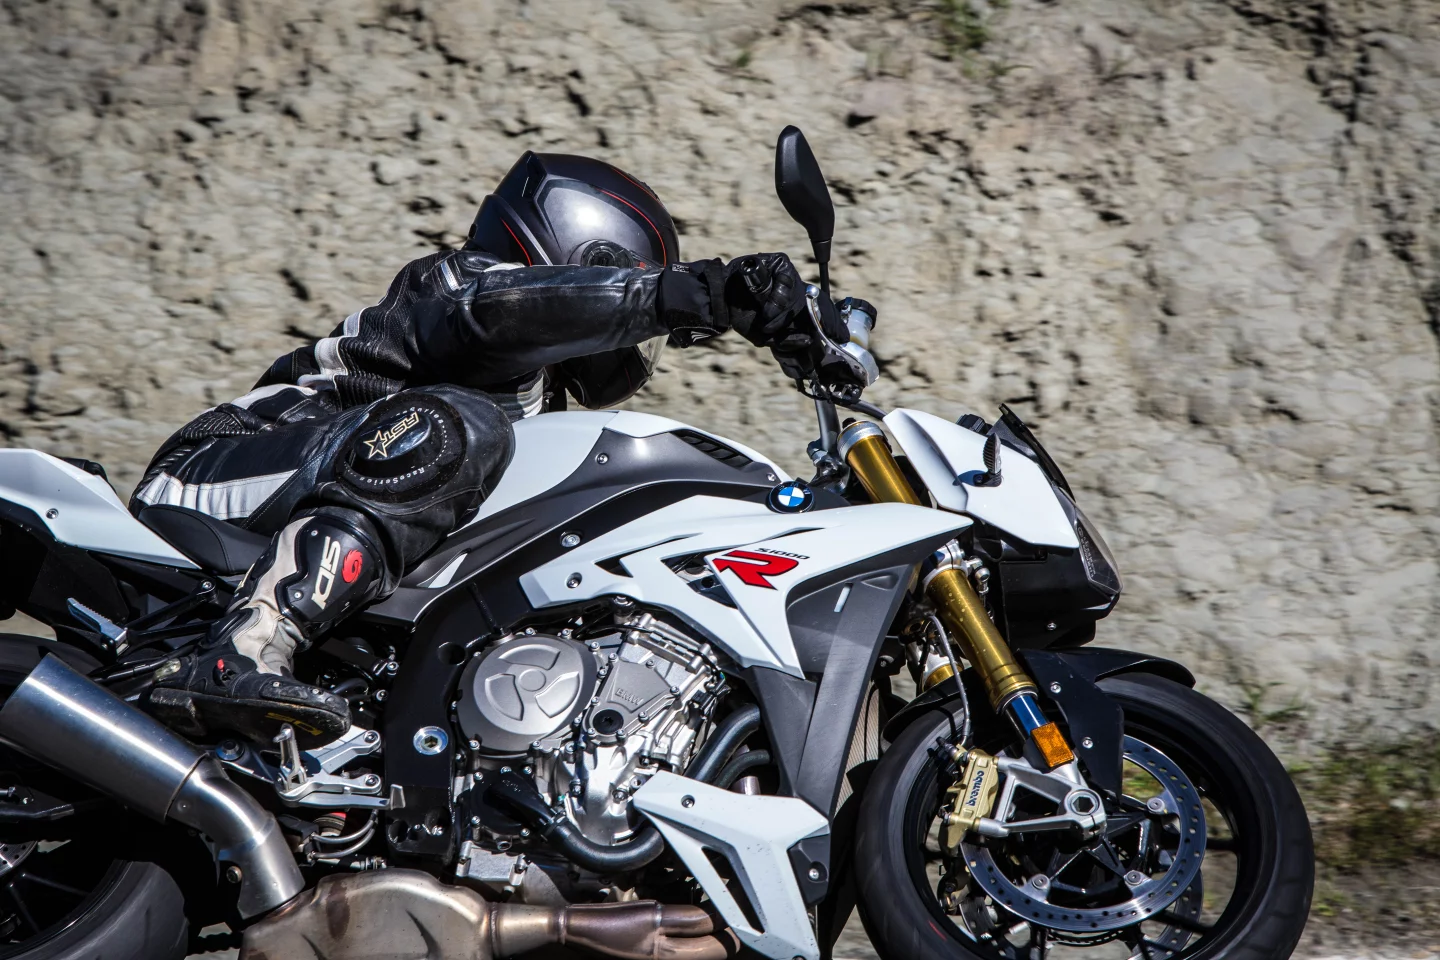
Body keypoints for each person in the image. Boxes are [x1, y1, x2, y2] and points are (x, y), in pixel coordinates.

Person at [132, 151, 844, 746]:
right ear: (585, 259)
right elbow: (496, 316)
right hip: (216, 480)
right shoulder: (458, 286)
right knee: (454, 426)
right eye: (622, 277)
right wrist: (695, 294)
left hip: (313, 509)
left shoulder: (536, 401)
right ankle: (243, 647)